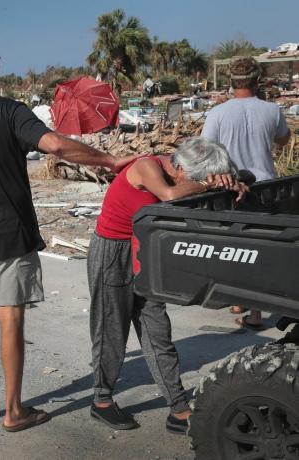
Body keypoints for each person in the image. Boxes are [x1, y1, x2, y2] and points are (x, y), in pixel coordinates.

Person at [0, 39, 133, 432]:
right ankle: (12, 411)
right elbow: (55, 144)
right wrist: (108, 160)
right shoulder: (11, 112)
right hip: (12, 236)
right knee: (11, 322)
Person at [87, 137, 247, 434]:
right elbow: (170, 195)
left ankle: (178, 408)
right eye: (198, 178)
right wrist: (209, 185)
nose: (201, 183)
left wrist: (232, 185)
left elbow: (207, 191)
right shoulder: (147, 166)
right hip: (112, 250)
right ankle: (102, 400)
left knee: (157, 329)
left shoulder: (180, 172)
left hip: (145, 250)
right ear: (183, 169)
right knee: (111, 328)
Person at [202, 56, 291, 330]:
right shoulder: (271, 110)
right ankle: (250, 308)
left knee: (233, 248)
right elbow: (283, 138)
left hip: (230, 189)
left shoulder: (218, 113)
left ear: (231, 82)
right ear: (258, 80)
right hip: (265, 190)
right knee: (258, 249)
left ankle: (245, 306)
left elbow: (205, 150)